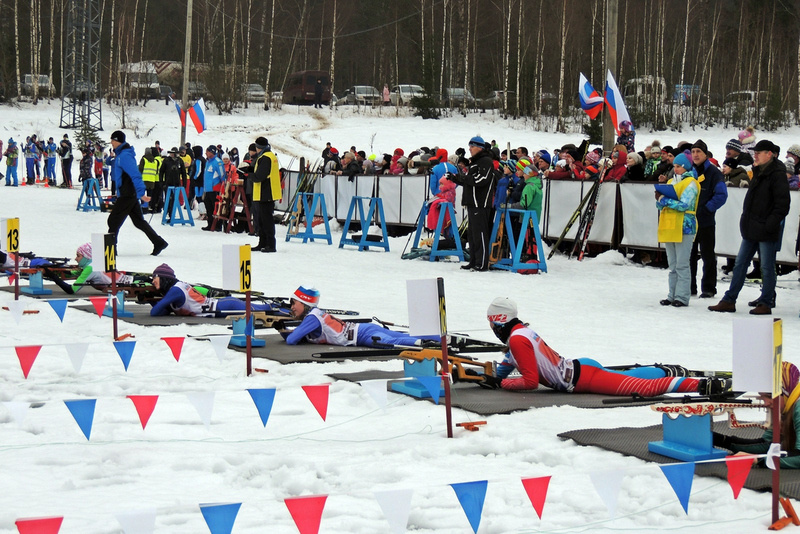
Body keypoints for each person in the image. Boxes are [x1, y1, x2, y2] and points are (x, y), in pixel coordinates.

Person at [474, 298, 726, 396]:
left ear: (499, 321)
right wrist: (485, 376)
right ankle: (667, 370)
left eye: (491, 324)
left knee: (640, 388)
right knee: (625, 376)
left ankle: (701, 385)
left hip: (584, 379)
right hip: (582, 368)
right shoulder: (519, 335)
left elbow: (529, 381)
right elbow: (505, 368)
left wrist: (503, 383)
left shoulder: (517, 340)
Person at [708, 139, 791, 315]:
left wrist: (770, 224)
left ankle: (766, 302)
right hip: (752, 227)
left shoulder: (777, 174)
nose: (755, 155)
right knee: (740, 264)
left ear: (769, 154)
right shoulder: (759, 171)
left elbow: (782, 205)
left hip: (766, 229)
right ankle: (729, 300)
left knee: (767, 267)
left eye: (759, 153)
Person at [282, 286, 438, 347]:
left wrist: (286, 332)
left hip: (361, 336)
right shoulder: (315, 314)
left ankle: (425, 342)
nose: (292, 307)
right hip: (362, 329)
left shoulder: (312, 318)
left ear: (304, 303)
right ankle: (439, 337)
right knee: (398, 335)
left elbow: (292, 340)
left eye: (294, 303)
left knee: (391, 341)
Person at [713, 362, 800, 469]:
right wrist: (720, 440)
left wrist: (759, 460)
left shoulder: (798, 407)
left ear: (785, 391)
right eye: (762, 397)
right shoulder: (786, 406)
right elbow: (765, 446)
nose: (766, 403)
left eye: (769, 396)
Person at [107, 130, 169, 256]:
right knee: (138, 221)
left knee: (113, 221)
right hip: (127, 193)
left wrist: (142, 193)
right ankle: (158, 242)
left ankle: (111, 251)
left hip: (128, 194)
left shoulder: (125, 156)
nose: (111, 142)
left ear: (118, 141)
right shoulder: (120, 155)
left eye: (113, 140)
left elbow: (135, 175)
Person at [447, 136, 498, 271]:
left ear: (480, 148)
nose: (469, 149)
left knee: (480, 233)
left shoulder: (486, 161)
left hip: (480, 203)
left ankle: (481, 263)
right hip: (472, 202)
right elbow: (468, 181)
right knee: (472, 234)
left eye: (472, 146)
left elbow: (480, 179)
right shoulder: (475, 162)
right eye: (469, 146)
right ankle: (474, 260)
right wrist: (455, 178)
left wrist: (463, 177)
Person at [149, 264, 275, 317]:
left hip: (224, 306)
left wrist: (151, 298)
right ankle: (280, 307)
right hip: (222, 305)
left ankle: (283, 309)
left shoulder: (175, 291)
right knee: (261, 309)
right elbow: (163, 311)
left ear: (164, 278)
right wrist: (150, 300)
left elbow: (155, 313)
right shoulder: (176, 288)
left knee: (262, 311)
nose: (153, 281)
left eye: (155, 277)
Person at [656, 153, 700, 307]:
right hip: (670, 225)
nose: (675, 169)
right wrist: (660, 199)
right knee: (673, 265)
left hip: (684, 226)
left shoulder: (691, 183)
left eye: (679, 166)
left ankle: (681, 296)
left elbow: (685, 204)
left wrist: (664, 200)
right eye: (674, 166)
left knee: (682, 264)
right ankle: (671, 295)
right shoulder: (670, 181)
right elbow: (660, 205)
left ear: (686, 167)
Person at [689, 139, 728, 299]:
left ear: (705, 154)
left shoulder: (714, 173)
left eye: (699, 152)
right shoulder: (690, 171)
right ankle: (689, 286)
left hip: (705, 221)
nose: (696, 155)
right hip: (689, 221)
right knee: (689, 256)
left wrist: (707, 209)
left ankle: (709, 288)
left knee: (707, 256)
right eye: (693, 152)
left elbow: (721, 195)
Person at [42, 243, 149, 294]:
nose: (76, 259)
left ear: (87, 256)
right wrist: (53, 271)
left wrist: (53, 276)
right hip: (128, 279)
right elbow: (73, 274)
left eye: (78, 256)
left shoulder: (90, 268)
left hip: (131, 284)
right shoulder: (96, 262)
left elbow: (71, 290)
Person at [249, 136, 281, 252]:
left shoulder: (265, 158)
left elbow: (260, 176)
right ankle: (263, 243)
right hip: (266, 193)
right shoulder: (268, 156)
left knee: (266, 220)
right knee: (262, 219)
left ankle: (270, 244)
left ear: (258, 147)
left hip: (266, 193)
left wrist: (250, 175)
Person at [201, 145, 224, 230]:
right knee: (208, 207)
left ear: (211, 152)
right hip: (208, 188)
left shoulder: (218, 162)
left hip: (215, 188)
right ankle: (210, 224)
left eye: (207, 151)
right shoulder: (208, 162)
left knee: (216, 208)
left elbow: (222, 175)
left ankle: (217, 225)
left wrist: (222, 187)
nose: (206, 153)